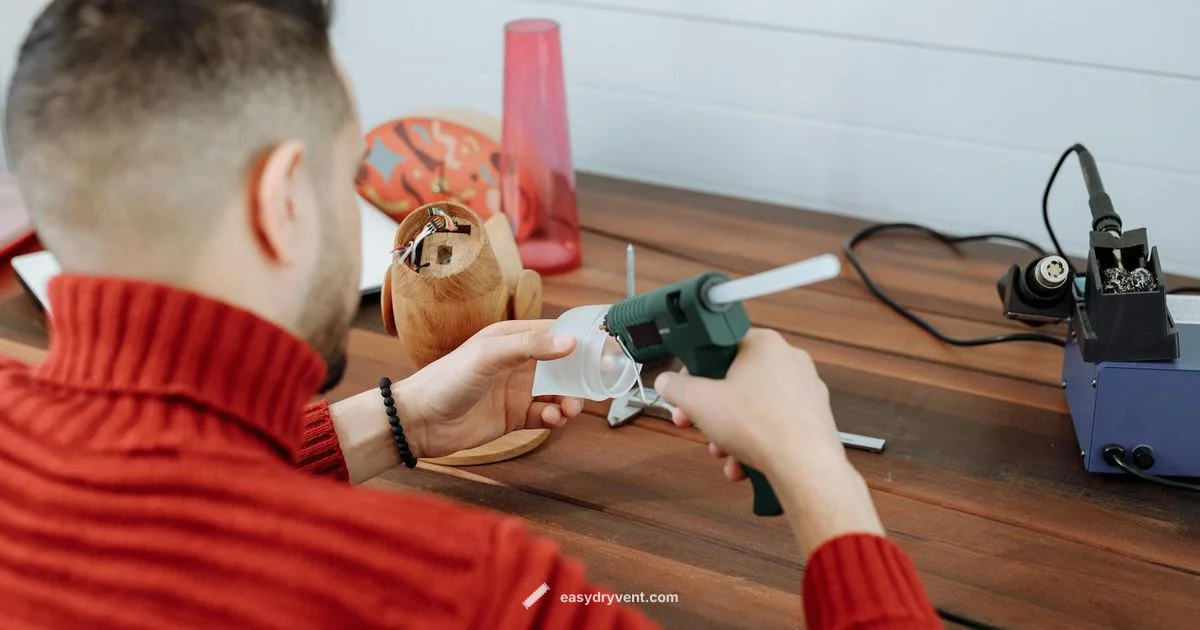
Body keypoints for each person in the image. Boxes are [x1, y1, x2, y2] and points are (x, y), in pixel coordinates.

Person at [0, 1, 941, 628]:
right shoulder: (475, 594)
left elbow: (162, 479)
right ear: (283, 202)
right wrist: (823, 483)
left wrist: (397, 422)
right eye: (345, 178)